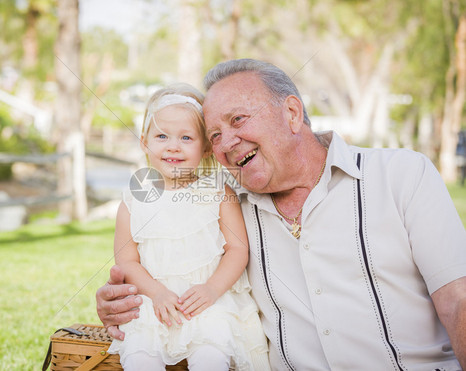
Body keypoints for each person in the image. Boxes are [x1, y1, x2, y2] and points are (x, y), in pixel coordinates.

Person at [97, 59, 466, 370]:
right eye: (215, 135)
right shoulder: (226, 205)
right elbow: (157, 254)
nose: (225, 144)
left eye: (238, 120)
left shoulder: (401, 174)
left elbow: (458, 300)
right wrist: (120, 300)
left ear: (291, 113)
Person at [106, 83, 271, 371]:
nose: (173, 146)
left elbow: (237, 249)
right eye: (161, 136)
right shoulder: (133, 200)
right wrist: (155, 293)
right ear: (144, 142)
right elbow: (127, 260)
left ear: (206, 146)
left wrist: (211, 289)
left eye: (186, 137)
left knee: (211, 355)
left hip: (208, 302)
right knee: (140, 357)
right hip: (154, 303)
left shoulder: (218, 193)